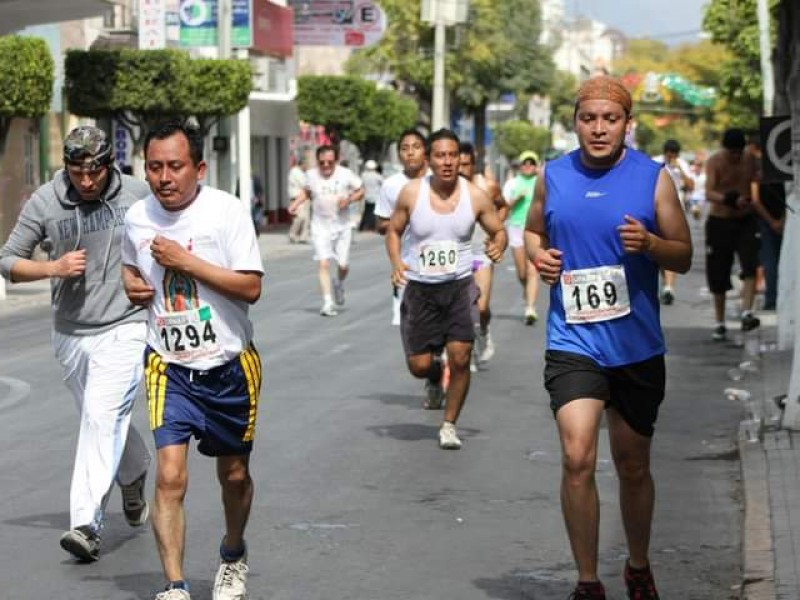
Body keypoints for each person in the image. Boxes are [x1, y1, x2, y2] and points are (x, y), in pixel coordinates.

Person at [525, 75, 692, 599]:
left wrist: (649, 244)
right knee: (577, 457)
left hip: (636, 346)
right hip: (573, 341)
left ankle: (638, 566)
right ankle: (588, 581)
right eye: (588, 118)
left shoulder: (653, 178)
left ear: (627, 124)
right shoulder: (553, 175)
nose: (598, 129)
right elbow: (533, 230)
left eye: (610, 119)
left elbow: (683, 255)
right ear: (575, 121)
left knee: (632, 465)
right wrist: (539, 256)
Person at [120, 120, 264, 600]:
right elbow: (130, 262)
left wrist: (187, 263)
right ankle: (175, 585)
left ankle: (232, 551)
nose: (164, 176)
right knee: (170, 475)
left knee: (234, 475)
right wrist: (131, 284)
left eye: (175, 166)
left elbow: (251, 287)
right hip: (168, 364)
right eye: (155, 166)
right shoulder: (137, 217)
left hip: (228, 367)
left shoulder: (226, 213)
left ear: (198, 168)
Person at [0, 125, 152, 562]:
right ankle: (135, 470)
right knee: (99, 419)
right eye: (76, 172)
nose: (86, 182)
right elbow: (8, 260)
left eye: (93, 173)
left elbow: (165, 241)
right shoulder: (47, 201)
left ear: (108, 165)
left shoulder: (137, 194)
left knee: (102, 418)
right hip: (70, 332)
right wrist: (54, 268)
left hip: (125, 326)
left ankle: (86, 524)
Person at [386, 128, 507, 449]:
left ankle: (449, 424)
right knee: (419, 366)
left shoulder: (476, 196)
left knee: (461, 356)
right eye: (440, 155)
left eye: (453, 155)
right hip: (420, 290)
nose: (448, 161)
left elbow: (497, 229)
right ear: (429, 160)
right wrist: (397, 262)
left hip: (459, 287)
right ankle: (432, 373)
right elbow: (394, 231)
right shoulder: (412, 193)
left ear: (460, 159)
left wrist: (499, 244)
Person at [288, 145, 365, 317]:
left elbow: (361, 191)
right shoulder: (311, 175)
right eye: (322, 163)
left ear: (335, 160)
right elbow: (307, 192)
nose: (325, 166)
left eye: (329, 162)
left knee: (343, 266)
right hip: (320, 226)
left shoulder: (345, 174)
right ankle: (327, 302)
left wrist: (350, 199)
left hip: (342, 226)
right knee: (323, 263)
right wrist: (295, 204)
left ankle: (338, 282)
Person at [704, 128, 761, 341]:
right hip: (720, 220)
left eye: (739, 151)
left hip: (745, 220)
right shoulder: (715, 161)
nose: (736, 156)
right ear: (725, 149)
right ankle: (720, 322)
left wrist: (751, 201)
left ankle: (747, 311)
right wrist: (728, 199)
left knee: (750, 264)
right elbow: (709, 191)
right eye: (732, 153)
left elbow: (757, 183)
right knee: (718, 273)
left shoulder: (750, 159)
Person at [458, 141, 507, 367]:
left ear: (473, 165)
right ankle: (465, 353)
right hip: (457, 256)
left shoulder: (487, 187)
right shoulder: (444, 189)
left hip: (480, 254)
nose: (460, 169)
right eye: (458, 164)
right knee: (460, 308)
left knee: (482, 307)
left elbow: (502, 206)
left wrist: (496, 231)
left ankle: (484, 330)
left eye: (466, 164)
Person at [376, 128, 428, 325]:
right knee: (411, 326)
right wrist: (402, 220)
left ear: (425, 151)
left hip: (441, 264)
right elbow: (381, 225)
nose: (410, 152)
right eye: (405, 148)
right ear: (399, 154)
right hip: (407, 264)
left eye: (416, 147)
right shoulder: (391, 185)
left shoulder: (439, 179)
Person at [652, 139, 694, 305]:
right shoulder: (655, 162)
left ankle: (669, 287)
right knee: (659, 249)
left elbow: (691, 185)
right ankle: (665, 284)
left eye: (674, 154)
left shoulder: (681, 164)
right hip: (656, 211)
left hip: (676, 212)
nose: (672, 157)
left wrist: (680, 170)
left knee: (671, 246)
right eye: (669, 154)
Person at [746, 135, 785, 311]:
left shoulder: (756, 170)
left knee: (769, 261)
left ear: (754, 148)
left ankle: (771, 299)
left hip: (765, 221)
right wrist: (782, 220)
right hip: (784, 220)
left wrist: (770, 221)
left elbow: (755, 200)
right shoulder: (782, 166)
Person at [505, 150, 541, 325]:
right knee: (522, 272)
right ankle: (526, 289)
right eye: (525, 163)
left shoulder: (541, 182)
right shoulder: (513, 183)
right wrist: (516, 199)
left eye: (531, 163)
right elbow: (504, 207)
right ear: (520, 166)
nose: (528, 166)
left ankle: (530, 308)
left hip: (534, 229)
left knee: (532, 269)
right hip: (516, 228)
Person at [287, 156, 310, 243]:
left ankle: (303, 237)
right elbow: (304, 184)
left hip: (305, 198)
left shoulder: (302, 172)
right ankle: (292, 234)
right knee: (300, 217)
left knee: (306, 219)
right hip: (298, 198)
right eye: (306, 165)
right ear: (302, 164)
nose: (307, 167)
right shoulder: (295, 172)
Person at [359, 159, 383, 232]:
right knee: (375, 213)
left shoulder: (363, 175)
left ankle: (363, 227)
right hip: (376, 197)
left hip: (367, 196)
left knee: (367, 212)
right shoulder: (377, 176)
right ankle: (375, 227)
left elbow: (361, 185)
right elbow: (383, 184)